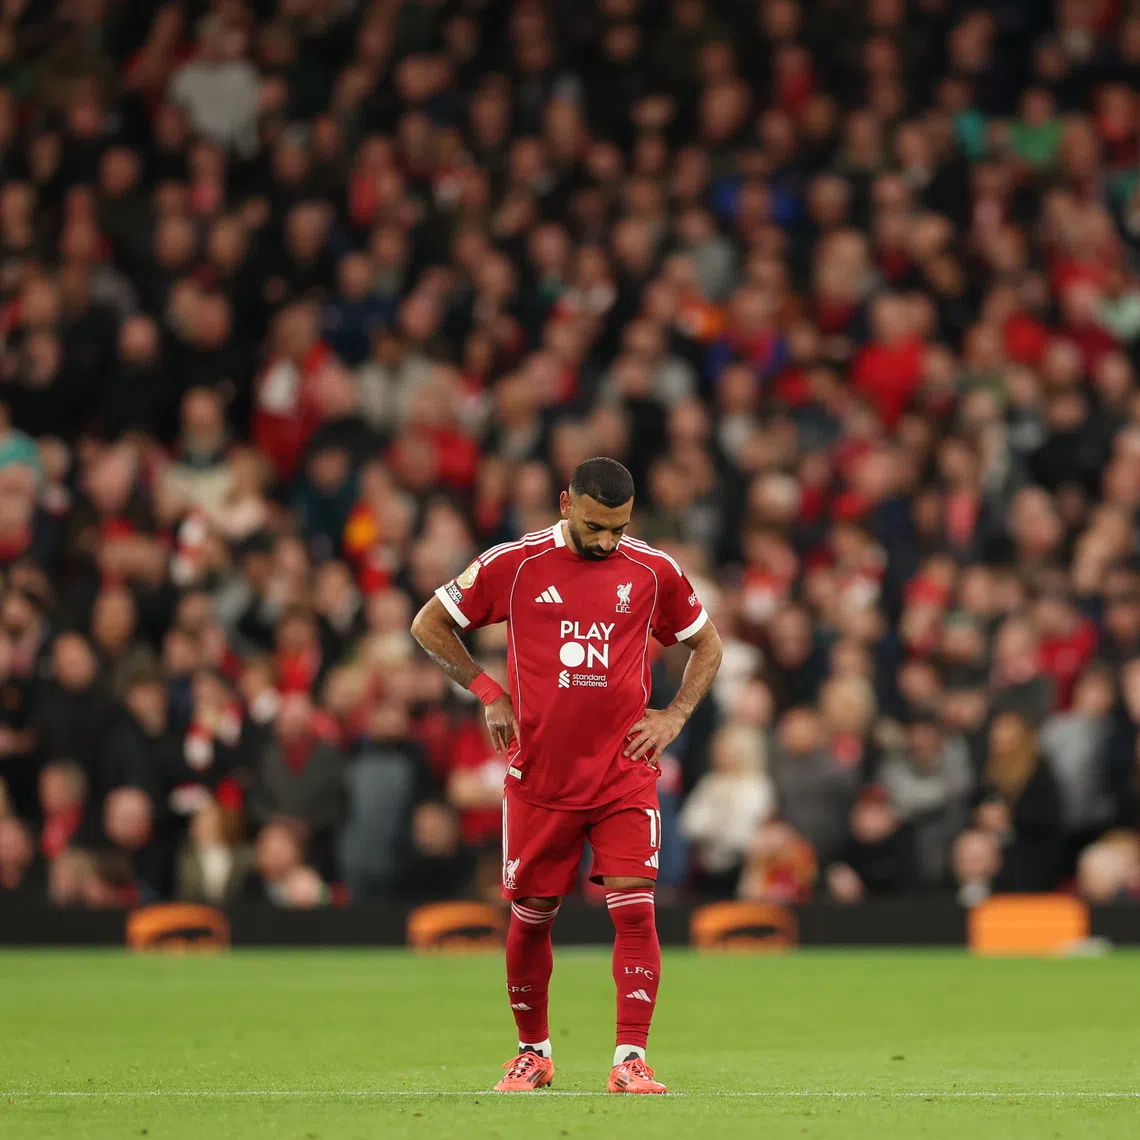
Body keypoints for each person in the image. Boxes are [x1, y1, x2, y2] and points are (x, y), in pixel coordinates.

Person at [412, 456, 722, 1095]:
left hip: (623, 771)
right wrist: (489, 692)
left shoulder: (652, 570)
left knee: (635, 907)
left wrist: (675, 715)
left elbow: (707, 644)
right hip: (541, 776)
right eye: (595, 526)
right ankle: (533, 1052)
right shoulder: (515, 563)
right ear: (565, 504)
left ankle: (630, 1059)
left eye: (619, 528)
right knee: (531, 915)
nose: (607, 541)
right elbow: (428, 623)